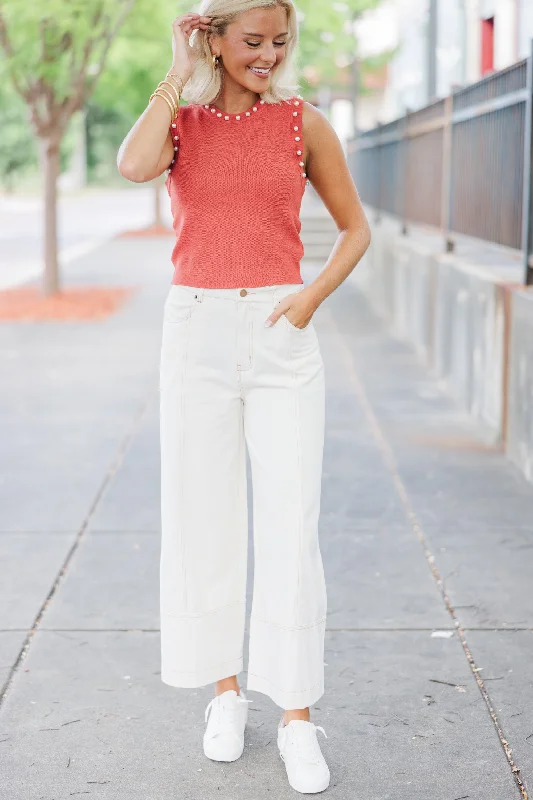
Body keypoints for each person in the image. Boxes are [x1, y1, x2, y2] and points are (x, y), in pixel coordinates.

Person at [117, 0, 370, 793]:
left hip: (278, 329)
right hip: (193, 331)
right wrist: (175, 70)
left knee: (289, 521)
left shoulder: (304, 124)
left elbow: (355, 229)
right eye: (252, 41)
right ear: (213, 40)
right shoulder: (182, 126)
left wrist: (306, 300)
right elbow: (131, 165)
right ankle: (223, 695)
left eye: (279, 42)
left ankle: (295, 714)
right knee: (204, 518)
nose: (268, 55)